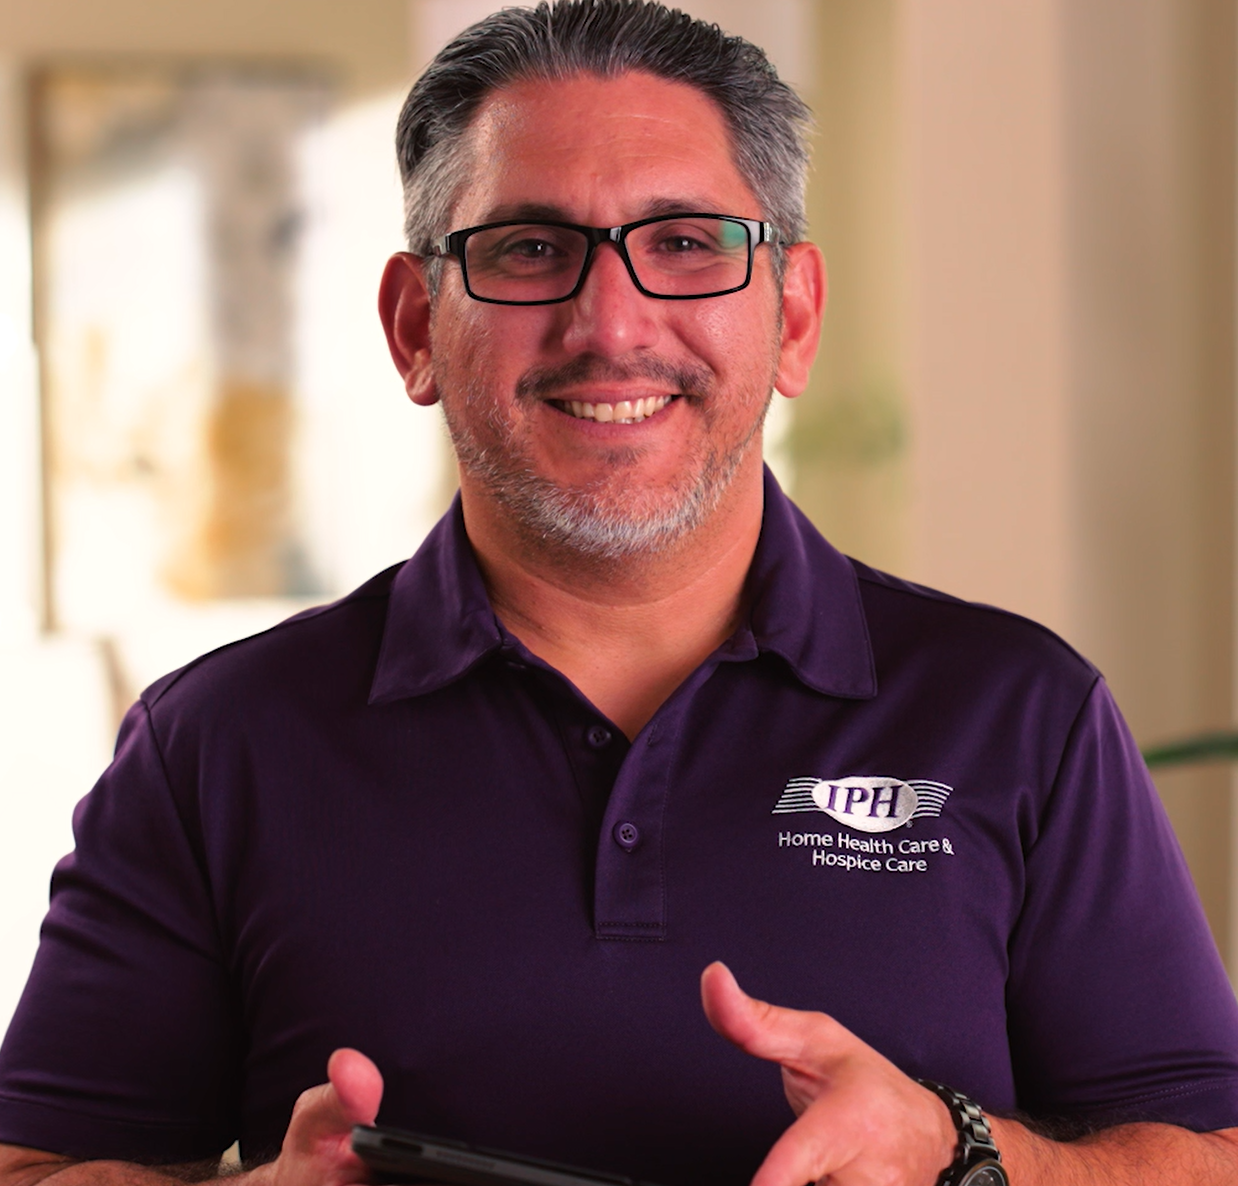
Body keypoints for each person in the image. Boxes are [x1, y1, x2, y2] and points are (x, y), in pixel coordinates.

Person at [2, 2, 1238, 1184]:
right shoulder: (215, 744)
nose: (612, 320)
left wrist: (963, 1154)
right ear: (413, 326)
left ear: (792, 316)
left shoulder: (1018, 711)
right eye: (529, 248)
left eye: (686, 244)